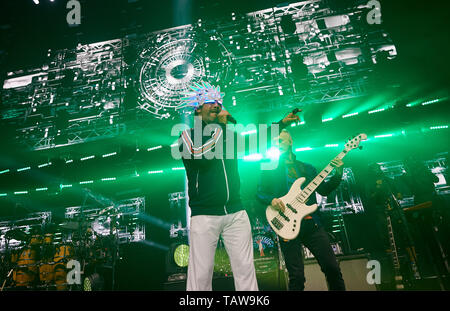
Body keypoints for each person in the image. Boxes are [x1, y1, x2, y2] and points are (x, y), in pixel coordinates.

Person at [178, 82, 299, 291]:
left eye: (218, 102)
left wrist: (281, 124)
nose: (216, 105)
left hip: (236, 211)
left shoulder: (228, 135)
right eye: (210, 102)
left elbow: (255, 141)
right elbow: (202, 157)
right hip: (205, 215)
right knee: (201, 275)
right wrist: (221, 128)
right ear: (198, 108)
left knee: (245, 270)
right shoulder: (188, 136)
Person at [256, 129, 346, 290]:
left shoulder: (307, 168)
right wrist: (272, 200)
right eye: (275, 142)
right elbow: (259, 193)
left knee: (332, 268)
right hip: (286, 224)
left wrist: (338, 173)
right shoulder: (269, 169)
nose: (278, 144)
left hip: (312, 225)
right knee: (296, 276)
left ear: (290, 142)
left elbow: (324, 190)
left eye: (281, 141)